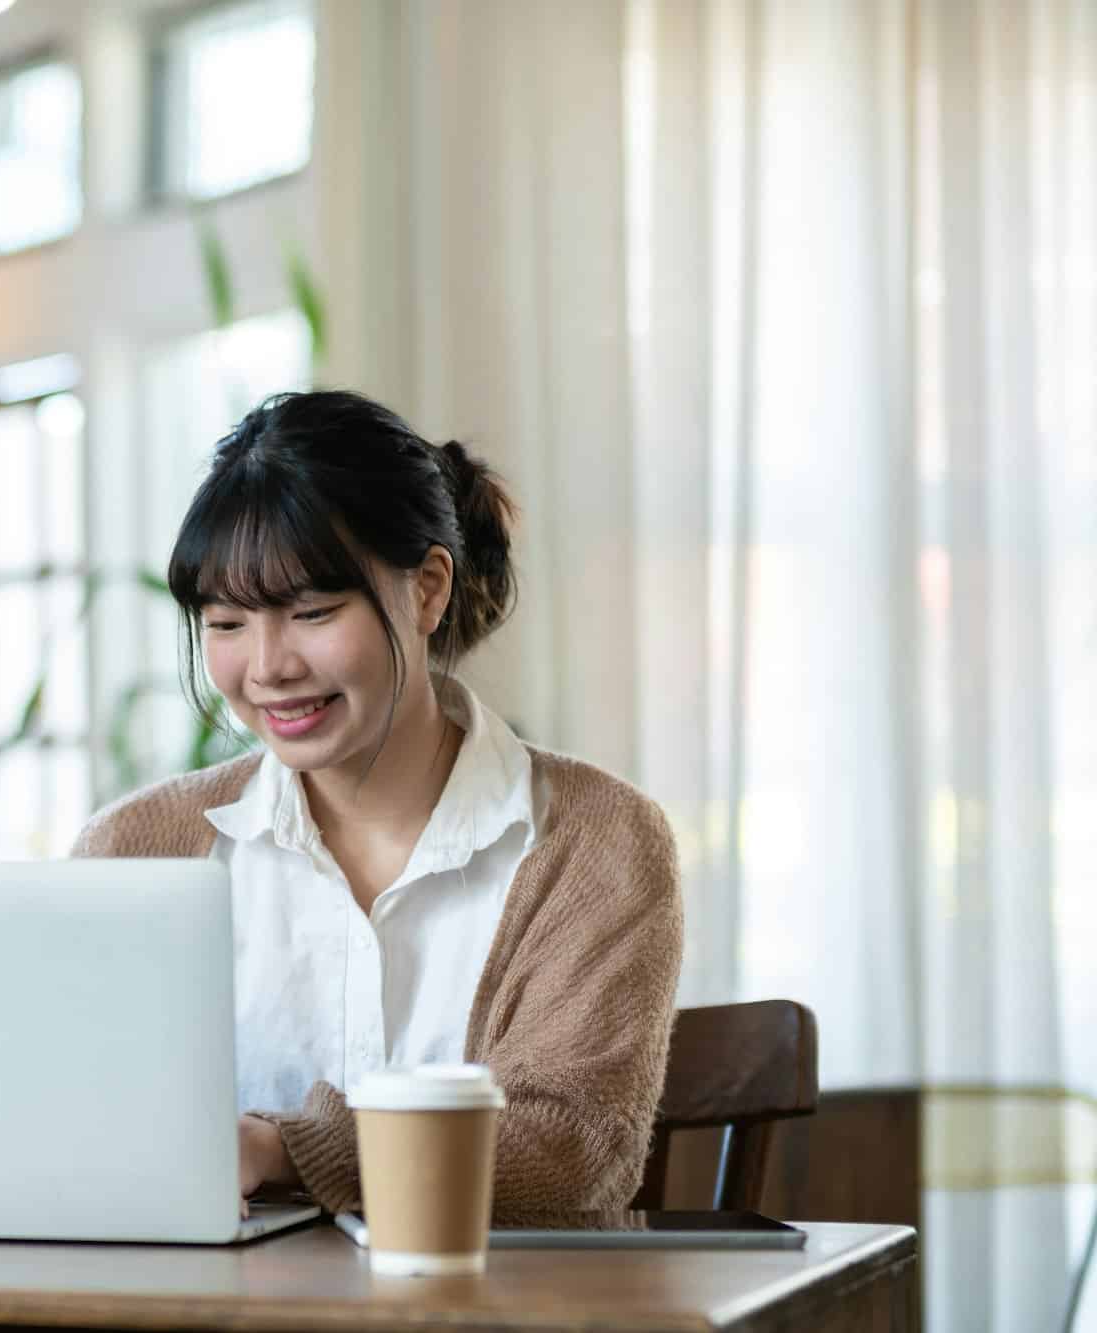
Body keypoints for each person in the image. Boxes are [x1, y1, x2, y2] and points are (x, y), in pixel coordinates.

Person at [71, 390, 682, 1221]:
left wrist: (285, 1150)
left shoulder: (596, 842)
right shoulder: (132, 850)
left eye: (313, 613)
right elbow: (77, 1123)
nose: (268, 666)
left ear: (428, 589)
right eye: (226, 623)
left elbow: (571, 1151)